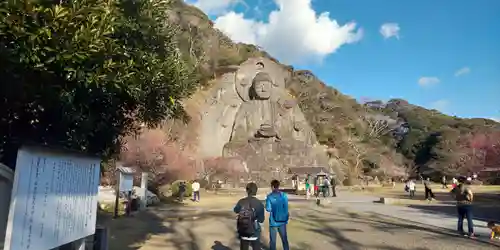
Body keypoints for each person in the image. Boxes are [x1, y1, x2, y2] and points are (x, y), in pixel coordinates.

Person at [234, 182, 265, 250]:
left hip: (243, 231)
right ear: (256, 191)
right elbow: (261, 220)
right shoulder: (259, 203)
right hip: (255, 232)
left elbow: (235, 210)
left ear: (247, 190)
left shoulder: (241, 201)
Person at [266, 180, 290, 250]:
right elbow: (286, 207)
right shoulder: (284, 196)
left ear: (272, 187)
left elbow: (268, 209)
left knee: (273, 242)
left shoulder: (269, 197)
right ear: (278, 186)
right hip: (283, 221)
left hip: (273, 222)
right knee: (284, 240)